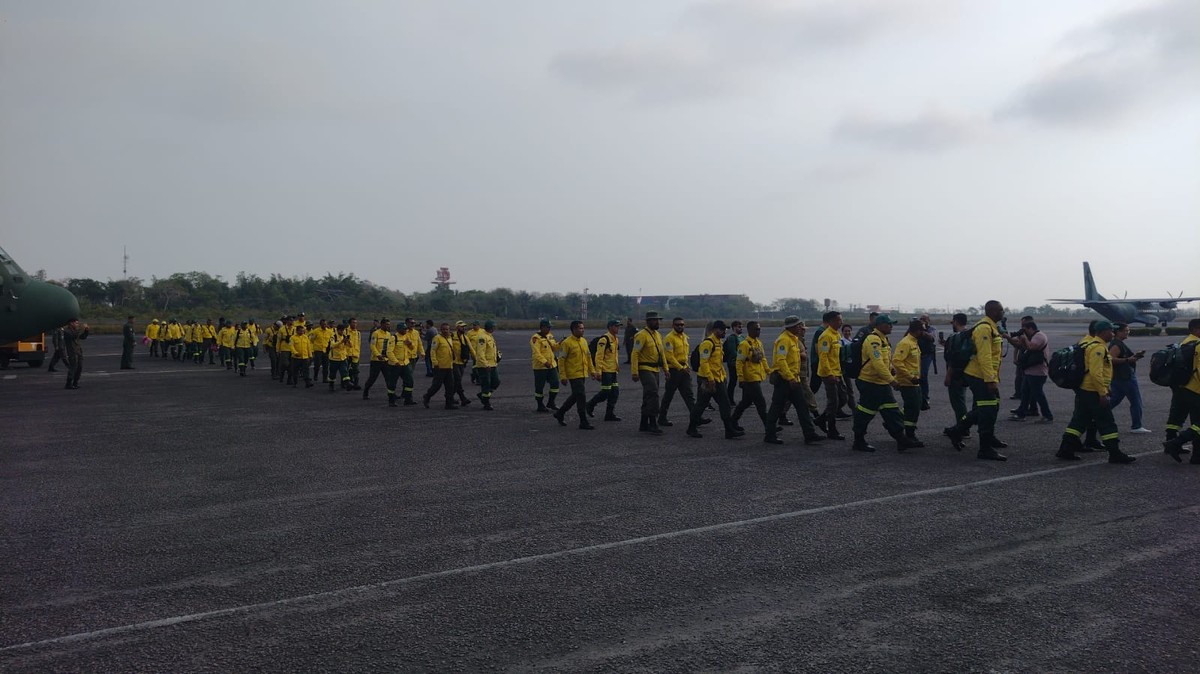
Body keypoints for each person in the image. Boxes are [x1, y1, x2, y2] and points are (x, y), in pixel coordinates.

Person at [1055, 320, 1136, 463]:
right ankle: (1115, 453)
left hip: (1085, 390)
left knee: (1079, 421)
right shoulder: (1098, 348)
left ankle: (1065, 449)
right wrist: (1102, 393)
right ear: (1103, 332)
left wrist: (1105, 388)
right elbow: (1095, 373)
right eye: (1111, 331)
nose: (1113, 334)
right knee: (1107, 422)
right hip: (1092, 391)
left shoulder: (1090, 344)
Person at [943, 300, 1009, 461]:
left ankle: (957, 431)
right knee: (987, 409)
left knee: (990, 407)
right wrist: (990, 380)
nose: (1003, 313)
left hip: (984, 375)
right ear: (993, 312)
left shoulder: (992, 327)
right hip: (979, 376)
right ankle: (985, 449)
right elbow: (984, 357)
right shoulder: (984, 328)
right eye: (1001, 310)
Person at [850, 314, 920, 452]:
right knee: (866, 412)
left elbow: (885, 361)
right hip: (870, 383)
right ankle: (858, 441)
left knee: (892, 411)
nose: (891, 326)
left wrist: (891, 369)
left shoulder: (883, 339)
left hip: (881, 383)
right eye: (889, 324)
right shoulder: (873, 340)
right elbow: (877, 364)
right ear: (880, 325)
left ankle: (901, 440)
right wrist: (892, 381)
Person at [763, 316, 824, 446]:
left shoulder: (793, 339)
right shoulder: (784, 340)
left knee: (802, 407)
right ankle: (769, 435)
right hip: (784, 380)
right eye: (797, 325)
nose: (800, 327)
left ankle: (810, 434)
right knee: (776, 407)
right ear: (790, 327)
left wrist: (794, 378)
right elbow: (781, 361)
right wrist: (790, 377)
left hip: (794, 379)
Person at [687, 320, 742, 439]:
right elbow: (704, 362)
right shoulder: (708, 343)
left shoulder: (718, 343)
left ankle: (729, 430)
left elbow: (718, 363)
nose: (724, 332)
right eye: (722, 330)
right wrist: (710, 379)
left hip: (718, 379)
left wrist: (723, 376)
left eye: (725, 330)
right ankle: (691, 428)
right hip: (708, 380)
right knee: (701, 405)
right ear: (715, 330)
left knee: (725, 404)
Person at [1161, 318, 1200, 463]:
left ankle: (1195, 455)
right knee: (1197, 424)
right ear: (1196, 329)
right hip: (1195, 389)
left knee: (1188, 421)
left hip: (1183, 387)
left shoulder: (1186, 342)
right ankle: (1175, 444)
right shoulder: (1197, 344)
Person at [1107, 323, 1151, 433]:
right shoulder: (1116, 345)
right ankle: (1137, 426)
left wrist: (1135, 356)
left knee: (1114, 400)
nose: (1127, 332)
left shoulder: (1118, 343)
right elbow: (1111, 359)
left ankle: (1095, 416)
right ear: (1118, 332)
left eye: (1128, 331)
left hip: (1119, 377)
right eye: (1125, 331)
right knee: (1136, 401)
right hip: (1125, 378)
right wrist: (1128, 360)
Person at [554, 320, 597, 430]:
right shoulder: (567, 343)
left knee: (576, 396)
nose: (582, 330)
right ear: (574, 329)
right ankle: (583, 421)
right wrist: (563, 376)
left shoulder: (583, 341)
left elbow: (588, 357)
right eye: (580, 328)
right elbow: (561, 360)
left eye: (583, 328)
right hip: (573, 374)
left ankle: (560, 413)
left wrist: (592, 371)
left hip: (582, 373)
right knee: (581, 396)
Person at [1008, 320, 1052, 423]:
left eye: (1025, 330)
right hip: (1030, 371)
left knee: (1038, 395)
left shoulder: (1039, 336)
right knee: (1025, 393)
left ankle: (1047, 416)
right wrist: (1008, 337)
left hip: (1038, 372)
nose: (1024, 333)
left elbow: (1031, 347)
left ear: (1031, 328)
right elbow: (1018, 345)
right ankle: (1021, 414)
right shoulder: (1032, 336)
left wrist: (1024, 339)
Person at [631, 311, 668, 434]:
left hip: (655, 369)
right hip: (645, 368)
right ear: (648, 322)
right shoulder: (641, 335)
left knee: (648, 395)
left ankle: (643, 423)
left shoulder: (658, 335)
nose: (657, 322)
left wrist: (666, 369)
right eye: (654, 320)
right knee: (653, 394)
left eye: (658, 320)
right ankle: (653, 422)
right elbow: (635, 353)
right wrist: (634, 372)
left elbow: (662, 353)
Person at [731, 320, 771, 432]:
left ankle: (732, 421)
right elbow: (739, 362)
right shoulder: (744, 345)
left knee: (746, 402)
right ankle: (769, 426)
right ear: (749, 330)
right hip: (750, 378)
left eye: (759, 329)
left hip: (757, 376)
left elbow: (763, 358)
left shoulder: (758, 343)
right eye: (756, 329)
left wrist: (768, 371)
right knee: (760, 402)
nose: (758, 331)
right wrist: (741, 378)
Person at [659, 317, 697, 427]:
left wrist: (686, 366)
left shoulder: (684, 337)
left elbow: (685, 354)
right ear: (673, 326)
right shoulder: (669, 338)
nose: (680, 326)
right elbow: (669, 357)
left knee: (689, 395)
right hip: (674, 370)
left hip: (684, 369)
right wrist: (680, 367)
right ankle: (662, 418)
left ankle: (696, 417)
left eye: (682, 325)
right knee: (669, 395)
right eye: (677, 325)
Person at [893, 319, 925, 447]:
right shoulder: (905, 343)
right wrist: (910, 377)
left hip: (914, 382)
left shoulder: (914, 342)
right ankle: (909, 435)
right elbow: (897, 361)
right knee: (913, 409)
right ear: (917, 330)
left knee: (914, 406)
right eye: (922, 330)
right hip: (908, 382)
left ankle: (895, 422)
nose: (923, 333)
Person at [816, 311, 847, 440]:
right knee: (833, 402)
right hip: (828, 374)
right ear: (832, 321)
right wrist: (829, 374)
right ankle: (832, 430)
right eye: (839, 320)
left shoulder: (837, 335)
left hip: (837, 372)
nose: (841, 322)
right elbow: (823, 357)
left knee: (843, 398)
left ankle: (821, 419)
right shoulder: (826, 336)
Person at [586, 319, 623, 421]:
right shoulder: (604, 339)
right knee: (605, 392)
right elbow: (599, 356)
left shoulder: (615, 339)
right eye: (616, 326)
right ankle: (590, 404)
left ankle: (609, 414)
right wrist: (598, 372)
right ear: (610, 327)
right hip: (606, 370)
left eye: (619, 326)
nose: (618, 328)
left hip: (613, 370)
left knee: (614, 392)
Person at [940, 313, 971, 435]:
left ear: (956, 322)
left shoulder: (956, 337)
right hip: (966, 372)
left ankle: (963, 428)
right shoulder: (968, 335)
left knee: (958, 403)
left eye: (953, 322)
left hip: (956, 374)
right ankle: (961, 425)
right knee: (961, 399)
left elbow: (954, 359)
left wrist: (948, 375)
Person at [422, 323, 457, 409]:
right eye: (443, 329)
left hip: (449, 366)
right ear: (441, 330)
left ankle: (449, 404)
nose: (445, 331)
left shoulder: (450, 338)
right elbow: (432, 351)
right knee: (436, 386)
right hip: (440, 367)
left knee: (450, 386)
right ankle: (427, 396)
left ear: (449, 330)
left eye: (447, 329)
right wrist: (435, 363)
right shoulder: (437, 338)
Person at [531, 318, 560, 412]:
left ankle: (551, 402)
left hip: (551, 365)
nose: (549, 329)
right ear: (542, 327)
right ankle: (540, 405)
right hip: (540, 367)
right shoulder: (535, 338)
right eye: (548, 327)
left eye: (550, 327)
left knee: (555, 383)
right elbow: (536, 353)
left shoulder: (550, 336)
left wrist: (561, 343)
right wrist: (544, 362)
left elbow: (554, 348)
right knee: (540, 387)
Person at [386, 322, 416, 406]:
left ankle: (408, 399)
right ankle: (391, 401)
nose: (406, 330)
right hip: (395, 365)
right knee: (392, 383)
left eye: (406, 329)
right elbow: (389, 352)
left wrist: (410, 344)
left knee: (409, 381)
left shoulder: (406, 337)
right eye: (404, 329)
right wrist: (395, 361)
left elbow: (412, 348)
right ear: (398, 330)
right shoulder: (394, 338)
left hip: (405, 363)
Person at [361, 318, 392, 399]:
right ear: (382, 324)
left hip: (385, 360)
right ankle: (366, 392)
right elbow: (372, 346)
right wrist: (378, 355)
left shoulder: (389, 334)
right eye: (386, 324)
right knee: (372, 378)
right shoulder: (376, 333)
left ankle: (391, 394)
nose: (388, 326)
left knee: (389, 378)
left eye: (389, 324)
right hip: (376, 360)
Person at [473, 320, 500, 410]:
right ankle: (486, 403)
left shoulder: (490, 336)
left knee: (496, 382)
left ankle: (482, 395)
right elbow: (480, 353)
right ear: (490, 327)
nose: (494, 328)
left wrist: (498, 356)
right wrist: (485, 364)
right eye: (493, 327)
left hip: (493, 364)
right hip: (484, 366)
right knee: (486, 384)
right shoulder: (482, 337)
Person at [450, 321, 474, 407]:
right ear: (457, 327)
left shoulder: (465, 337)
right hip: (453, 362)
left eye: (464, 327)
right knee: (457, 379)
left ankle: (451, 397)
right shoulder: (452, 336)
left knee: (457, 381)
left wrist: (477, 359)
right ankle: (461, 398)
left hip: (462, 362)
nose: (464, 328)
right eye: (462, 327)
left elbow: (471, 349)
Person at [62, 318, 90, 389]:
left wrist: (86, 330)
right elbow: (74, 335)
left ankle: (75, 383)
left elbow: (83, 337)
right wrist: (81, 329)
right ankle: (68, 384)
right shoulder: (67, 331)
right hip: (72, 352)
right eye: (76, 323)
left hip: (78, 351)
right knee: (73, 367)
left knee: (79, 367)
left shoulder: (75, 330)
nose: (77, 324)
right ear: (71, 323)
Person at [916, 314, 936, 409]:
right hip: (916, 355)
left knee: (923, 375)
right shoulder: (916, 330)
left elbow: (932, 338)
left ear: (929, 320)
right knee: (916, 375)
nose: (923, 321)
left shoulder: (931, 329)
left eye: (925, 319)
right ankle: (918, 396)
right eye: (921, 319)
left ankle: (925, 397)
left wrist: (923, 329)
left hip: (927, 355)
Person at [723, 320, 745, 404]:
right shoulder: (732, 338)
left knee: (745, 381)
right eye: (739, 327)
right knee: (733, 381)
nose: (741, 328)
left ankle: (746, 399)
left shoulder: (742, 337)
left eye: (741, 327)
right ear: (734, 328)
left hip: (742, 363)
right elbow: (733, 351)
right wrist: (743, 357)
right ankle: (730, 399)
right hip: (733, 363)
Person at [327, 323, 352, 391]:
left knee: (344, 371)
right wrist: (341, 342)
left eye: (343, 330)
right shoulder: (333, 336)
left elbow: (350, 346)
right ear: (337, 330)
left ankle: (347, 384)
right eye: (341, 330)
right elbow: (332, 345)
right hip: (334, 359)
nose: (342, 332)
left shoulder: (344, 336)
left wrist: (348, 341)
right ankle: (331, 385)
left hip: (342, 358)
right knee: (332, 373)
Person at [838, 324, 856, 416]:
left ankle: (852, 408)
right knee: (847, 389)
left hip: (850, 368)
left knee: (849, 389)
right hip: (843, 368)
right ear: (842, 332)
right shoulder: (841, 342)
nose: (847, 332)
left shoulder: (852, 341)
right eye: (845, 331)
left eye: (849, 331)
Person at [289, 324, 314, 388]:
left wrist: (310, 355)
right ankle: (295, 383)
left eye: (303, 331)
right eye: (300, 331)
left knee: (306, 370)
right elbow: (291, 346)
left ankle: (307, 383)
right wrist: (295, 353)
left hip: (305, 357)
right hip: (296, 358)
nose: (302, 332)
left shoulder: (305, 337)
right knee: (295, 371)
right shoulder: (292, 338)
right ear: (297, 331)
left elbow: (308, 347)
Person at [310, 319, 333, 384]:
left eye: (325, 324)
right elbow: (311, 340)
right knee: (317, 364)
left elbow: (332, 339)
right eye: (323, 324)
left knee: (326, 365)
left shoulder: (329, 331)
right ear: (320, 324)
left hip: (326, 350)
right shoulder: (316, 331)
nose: (324, 325)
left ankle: (325, 379)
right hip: (318, 350)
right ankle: (316, 374)